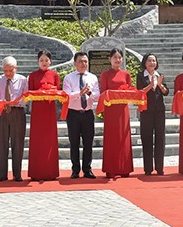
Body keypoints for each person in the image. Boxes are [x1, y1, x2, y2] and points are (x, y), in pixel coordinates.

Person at [0, 56, 29, 182]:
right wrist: (2, 101)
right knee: (1, 143)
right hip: (2, 113)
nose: (7, 73)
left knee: (18, 143)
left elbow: (26, 97)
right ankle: (2, 174)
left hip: (17, 112)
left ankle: (17, 174)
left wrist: (16, 103)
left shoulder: (23, 80)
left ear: (16, 68)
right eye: (5, 70)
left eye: (10, 70)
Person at [63, 52, 100, 179]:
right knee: (74, 142)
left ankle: (87, 169)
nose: (83, 64)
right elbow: (67, 96)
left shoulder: (93, 78)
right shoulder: (69, 78)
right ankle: (75, 169)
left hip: (88, 113)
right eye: (80, 61)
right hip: (73, 113)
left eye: (85, 61)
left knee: (88, 142)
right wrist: (80, 93)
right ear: (75, 63)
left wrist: (89, 92)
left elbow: (97, 96)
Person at [99, 48, 134, 178]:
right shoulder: (105, 75)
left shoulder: (126, 74)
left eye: (119, 57)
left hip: (123, 109)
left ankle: (125, 168)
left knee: (124, 137)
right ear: (110, 59)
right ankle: (111, 168)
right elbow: (103, 92)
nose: (117, 60)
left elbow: (129, 91)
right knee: (112, 137)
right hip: (111, 109)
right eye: (115, 57)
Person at [27, 49, 61, 181]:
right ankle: (37, 172)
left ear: (50, 61)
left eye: (46, 60)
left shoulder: (54, 75)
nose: (44, 62)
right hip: (37, 111)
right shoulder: (33, 75)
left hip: (50, 110)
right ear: (38, 61)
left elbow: (58, 92)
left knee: (50, 139)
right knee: (37, 140)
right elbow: (30, 93)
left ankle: (50, 171)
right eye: (41, 60)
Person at [135, 53, 168, 176]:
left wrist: (160, 85)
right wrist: (150, 85)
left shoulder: (160, 75)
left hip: (159, 111)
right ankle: (148, 168)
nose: (152, 63)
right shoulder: (140, 76)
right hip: (146, 111)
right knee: (147, 138)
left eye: (154, 61)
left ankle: (160, 168)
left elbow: (166, 92)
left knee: (160, 139)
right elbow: (140, 92)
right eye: (149, 60)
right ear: (145, 62)